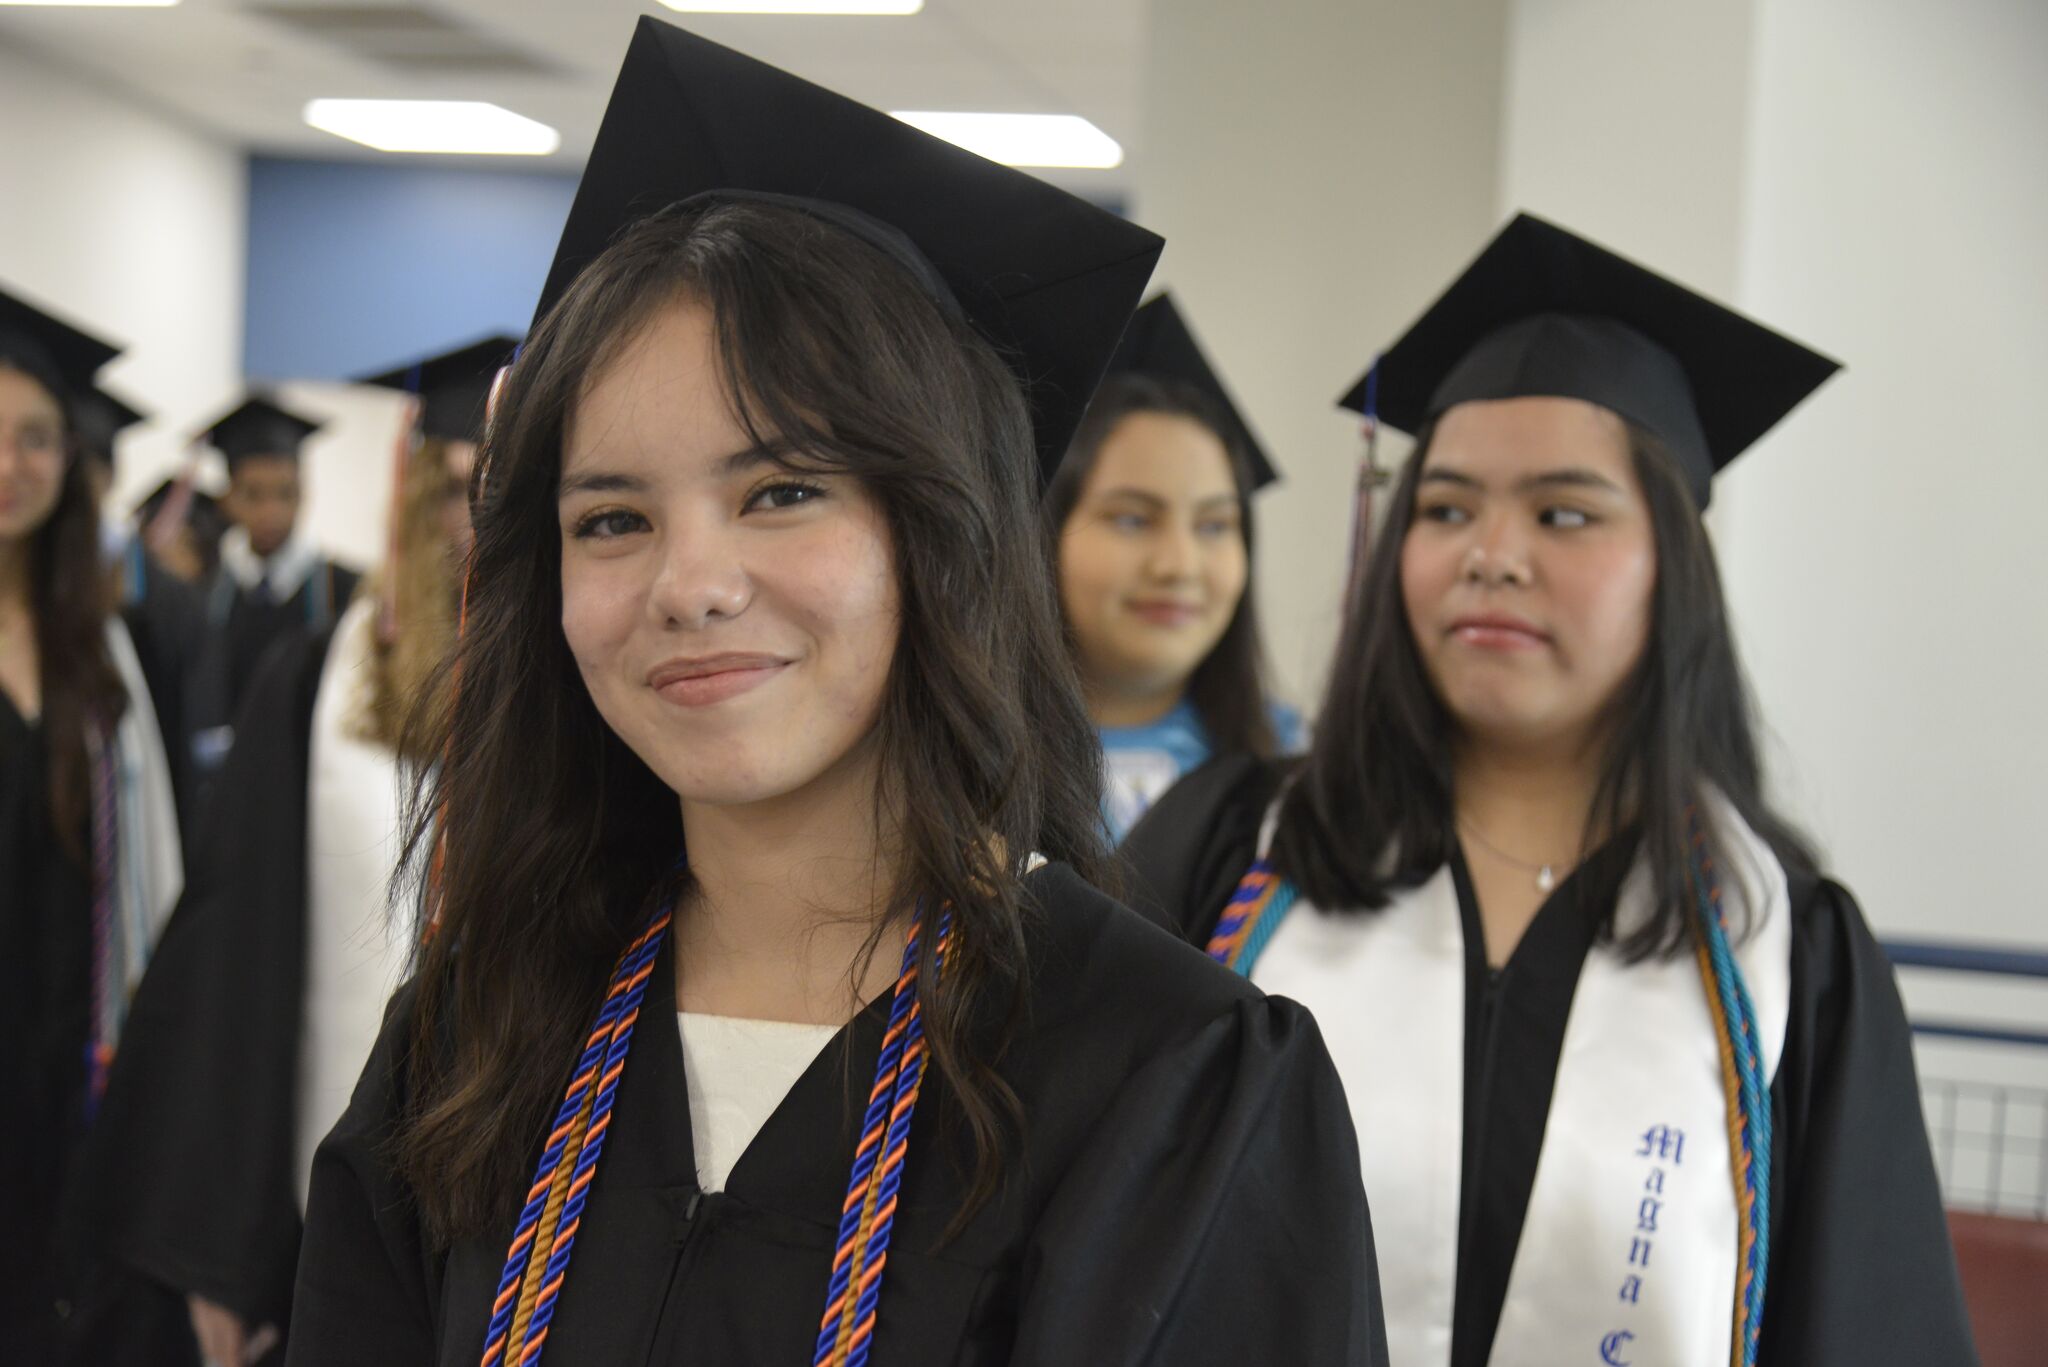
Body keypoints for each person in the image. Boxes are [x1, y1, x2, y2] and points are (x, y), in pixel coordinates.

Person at [288, 19, 1383, 1366]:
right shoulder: (477, 1035)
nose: (690, 581)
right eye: (611, 518)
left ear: (946, 534)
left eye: (783, 491)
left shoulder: (1163, 1078)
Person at [1123, 213, 1978, 1367]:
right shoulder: (1230, 851)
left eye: (1562, 511)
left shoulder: (1789, 958)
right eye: (1445, 507)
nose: (1491, 551)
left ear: (1673, 562)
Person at [73, 336, 510, 1367]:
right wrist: (220, 1244)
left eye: (493, 490)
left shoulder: (597, 690)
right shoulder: (315, 678)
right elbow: (230, 954)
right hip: (332, 1214)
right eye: (446, 490)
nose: (468, 524)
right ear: (404, 497)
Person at [0, 284, 183, 1357]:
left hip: (74, 1063)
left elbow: (156, 865)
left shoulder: (108, 647)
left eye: (35, 438)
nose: (12, 466)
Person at [1045, 294, 1299, 841]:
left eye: (1214, 526)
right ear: (1042, 534)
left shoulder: (1299, 770)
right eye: (1133, 520)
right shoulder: (953, 768)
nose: (1179, 566)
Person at [187, 395, 359, 777]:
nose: (272, 512)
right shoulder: (205, 592)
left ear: (304, 491)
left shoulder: (344, 589)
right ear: (228, 498)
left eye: (285, 493)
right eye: (254, 494)